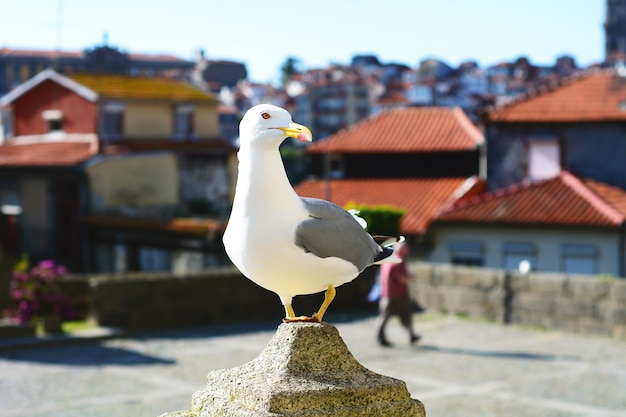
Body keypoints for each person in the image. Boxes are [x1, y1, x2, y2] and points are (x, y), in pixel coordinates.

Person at [375, 242, 421, 347]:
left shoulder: (388, 259)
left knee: (383, 316)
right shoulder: (399, 260)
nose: (408, 249)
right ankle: (411, 335)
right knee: (406, 315)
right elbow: (400, 278)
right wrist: (410, 277)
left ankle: (380, 337)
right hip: (399, 294)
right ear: (401, 249)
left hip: (386, 293)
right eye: (406, 247)